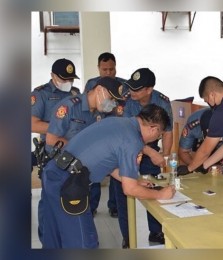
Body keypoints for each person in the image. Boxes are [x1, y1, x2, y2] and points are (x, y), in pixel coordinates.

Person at [38, 104, 175, 248]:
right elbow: (129, 190)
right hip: (69, 184)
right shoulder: (133, 140)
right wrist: (161, 195)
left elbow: (106, 163)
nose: (156, 139)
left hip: (54, 172)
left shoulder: (117, 122)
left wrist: (132, 179)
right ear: (154, 129)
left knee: (54, 238)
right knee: (84, 244)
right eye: (159, 135)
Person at [45, 77, 124, 217]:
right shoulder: (69, 107)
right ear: (99, 90)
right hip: (60, 169)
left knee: (79, 217)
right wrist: (84, 151)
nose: (112, 104)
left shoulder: (103, 114)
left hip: (82, 174)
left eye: (115, 101)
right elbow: (52, 139)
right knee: (52, 217)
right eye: (111, 98)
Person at [122, 68, 174, 246]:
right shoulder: (128, 102)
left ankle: (156, 232)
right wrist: (151, 153)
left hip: (150, 144)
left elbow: (167, 132)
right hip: (125, 147)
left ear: (149, 90)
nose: (132, 92)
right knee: (124, 191)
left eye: (137, 89)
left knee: (155, 185)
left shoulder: (162, 102)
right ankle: (127, 235)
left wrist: (164, 159)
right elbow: (128, 135)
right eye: (131, 87)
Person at [31, 58, 80, 242]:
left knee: (72, 196)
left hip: (74, 151)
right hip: (52, 153)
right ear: (52, 76)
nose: (68, 83)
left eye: (71, 79)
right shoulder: (40, 94)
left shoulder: (75, 93)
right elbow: (32, 124)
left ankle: (68, 238)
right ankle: (47, 240)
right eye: (64, 79)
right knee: (50, 200)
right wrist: (58, 129)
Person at [83, 52, 127, 220]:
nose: (108, 72)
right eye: (105, 69)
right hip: (97, 134)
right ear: (98, 68)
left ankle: (114, 206)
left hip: (116, 134)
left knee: (116, 172)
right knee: (94, 172)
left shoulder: (123, 85)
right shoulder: (92, 84)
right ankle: (92, 206)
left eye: (111, 69)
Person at [178, 108, 223, 185]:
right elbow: (183, 152)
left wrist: (222, 165)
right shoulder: (193, 125)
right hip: (205, 154)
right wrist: (198, 167)